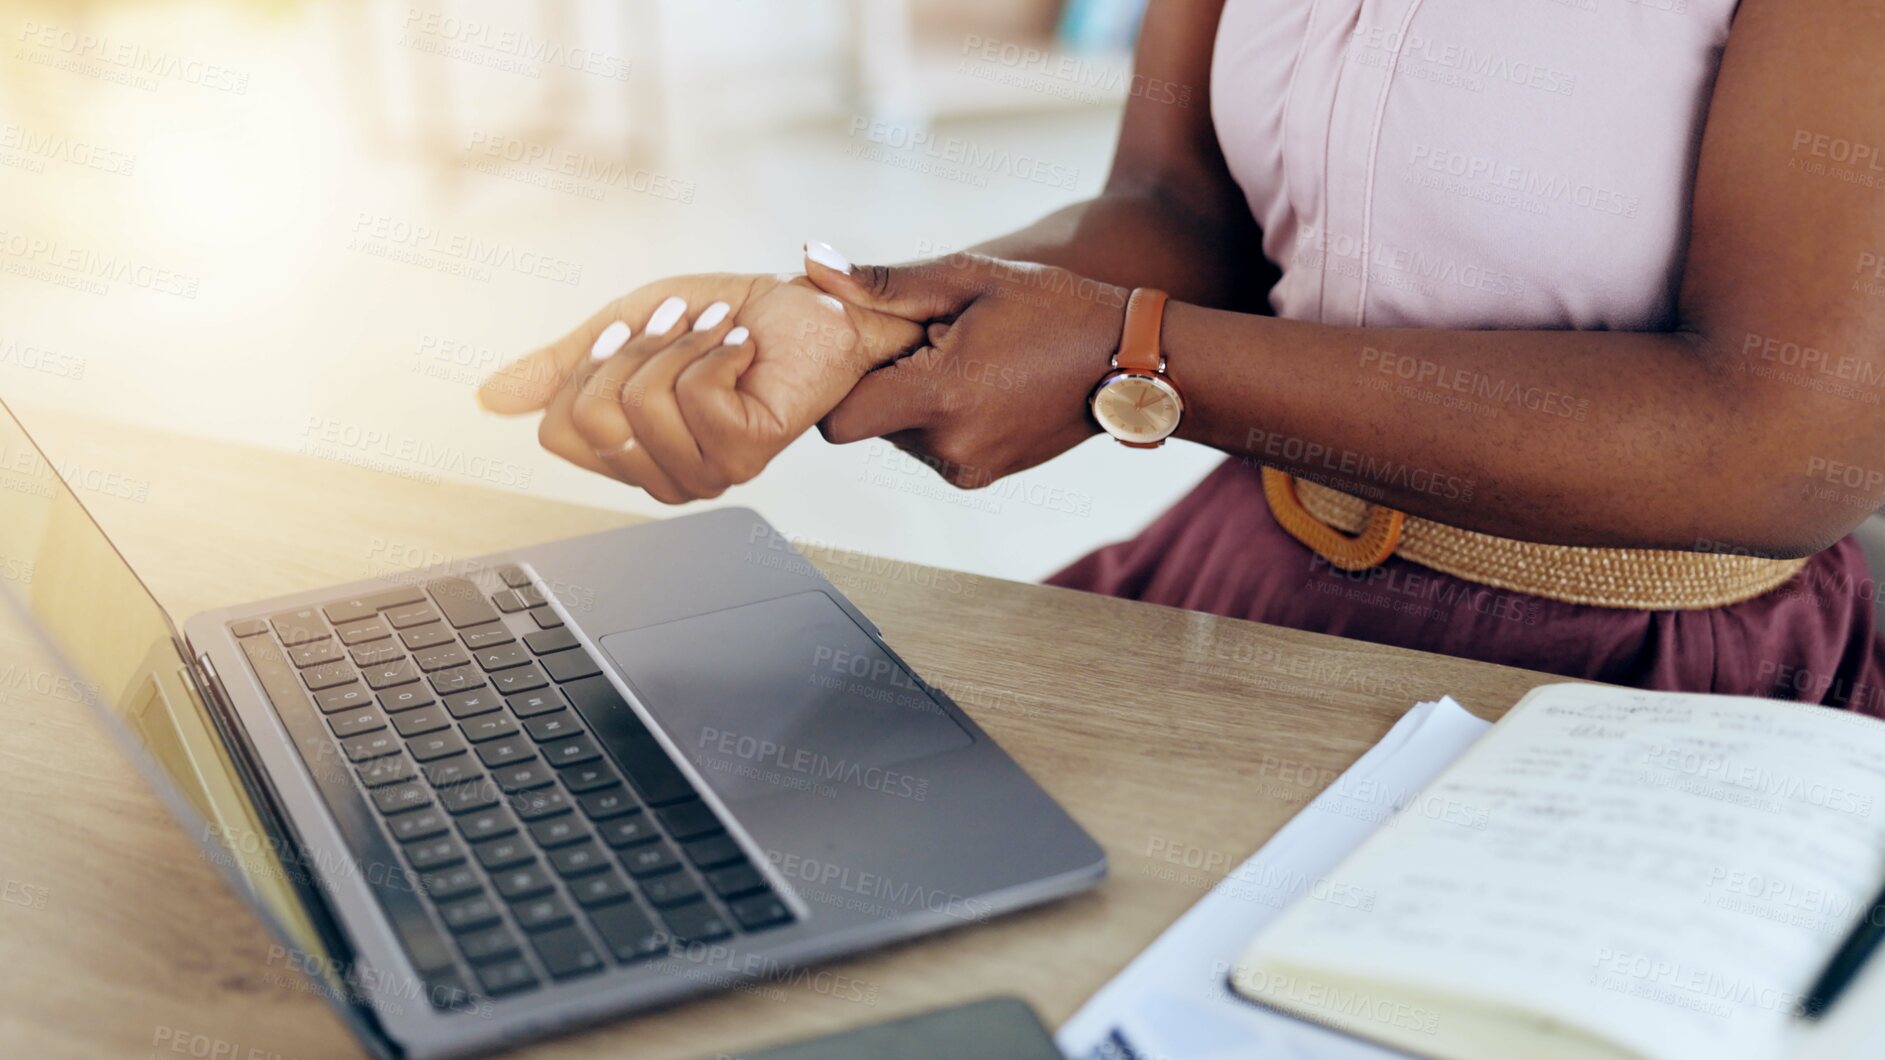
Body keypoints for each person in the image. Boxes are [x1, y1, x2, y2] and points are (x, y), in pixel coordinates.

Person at [478, 0, 1885, 711]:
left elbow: (1768, 445)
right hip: (1247, 552)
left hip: (1641, 653)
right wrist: (868, 324)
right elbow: (1179, 211)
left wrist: (1135, 357)